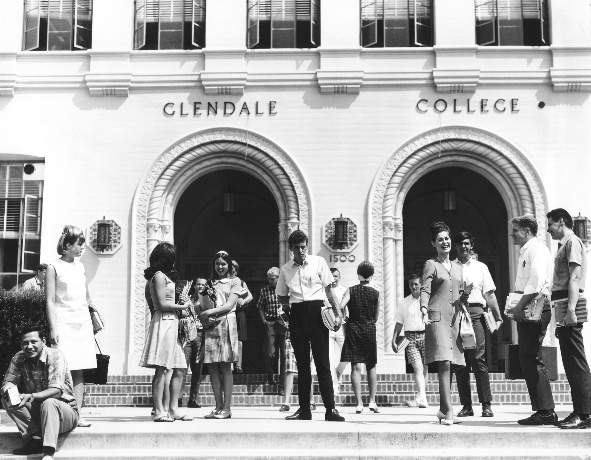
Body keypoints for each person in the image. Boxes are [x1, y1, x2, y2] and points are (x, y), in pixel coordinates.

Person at [276, 229, 345, 422]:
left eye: (303, 247)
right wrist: (290, 305)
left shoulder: (318, 262)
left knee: (323, 363)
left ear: (307, 246)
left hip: (317, 312)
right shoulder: (286, 269)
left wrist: (338, 314)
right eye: (297, 248)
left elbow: (330, 290)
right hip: (297, 313)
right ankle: (304, 410)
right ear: (290, 249)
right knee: (303, 365)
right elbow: (281, 295)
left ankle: (330, 409)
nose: (301, 251)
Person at [1, 325, 79, 460]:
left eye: (33, 342)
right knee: (8, 397)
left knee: (49, 402)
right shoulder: (19, 357)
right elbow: (9, 380)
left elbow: (56, 391)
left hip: (65, 413)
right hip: (41, 411)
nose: (29, 346)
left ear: (43, 341)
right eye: (25, 343)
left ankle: (48, 453)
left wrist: (31, 396)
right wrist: (8, 388)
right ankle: (36, 438)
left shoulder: (55, 356)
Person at [45, 225, 96, 428]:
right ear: (67, 246)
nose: (82, 247)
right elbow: (49, 301)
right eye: (79, 243)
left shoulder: (81, 267)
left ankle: (77, 415)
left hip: (81, 323)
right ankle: (59, 414)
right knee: (62, 371)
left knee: (79, 372)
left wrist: (93, 318)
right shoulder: (53, 267)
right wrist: (53, 328)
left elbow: (86, 296)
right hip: (63, 322)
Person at [509, 214, 556, 425]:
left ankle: (545, 410)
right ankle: (543, 409)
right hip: (528, 305)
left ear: (527, 231)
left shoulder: (537, 249)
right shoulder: (526, 251)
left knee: (530, 356)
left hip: (535, 304)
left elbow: (536, 282)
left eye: (516, 230)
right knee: (527, 356)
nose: (512, 234)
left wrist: (519, 306)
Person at [546, 208, 590, 429]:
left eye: (551, 225)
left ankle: (584, 413)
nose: (548, 230)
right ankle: (580, 411)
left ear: (561, 222)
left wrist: (571, 310)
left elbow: (574, 276)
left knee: (575, 361)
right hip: (562, 303)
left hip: (567, 302)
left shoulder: (572, 242)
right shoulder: (564, 244)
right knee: (571, 361)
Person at [139, 242, 192, 422]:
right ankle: (159, 410)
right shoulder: (159, 276)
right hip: (164, 321)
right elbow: (161, 303)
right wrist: (183, 305)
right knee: (162, 368)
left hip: (172, 321)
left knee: (180, 367)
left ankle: (173, 408)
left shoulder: (164, 277)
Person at [452, 232, 503, 418]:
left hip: (476, 314)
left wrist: (498, 317)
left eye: (466, 243)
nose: (463, 247)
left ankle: (486, 405)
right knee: (460, 362)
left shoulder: (481, 267)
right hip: (457, 314)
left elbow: (489, 294)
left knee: (478, 359)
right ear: (455, 246)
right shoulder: (450, 267)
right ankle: (466, 405)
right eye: (460, 244)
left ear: (471, 245)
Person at [420, 221, 465, 426]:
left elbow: (459, 292)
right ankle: (449, 413)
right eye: (440, 240)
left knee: (452, 364)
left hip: (454, 319)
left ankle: (441, 408)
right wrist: (422, 307)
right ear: (433, 244)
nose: (445, 242)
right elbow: (425, 288)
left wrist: (465, 296)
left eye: (447, 238)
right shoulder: (431, 264)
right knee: (444, 362)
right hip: (436, 318)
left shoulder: (457, 266)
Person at [197, 250, 241, 419]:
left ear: (229, 265)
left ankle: (227, 408)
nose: (220, 267)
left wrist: (207, 313)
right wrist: (202, 313)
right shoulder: (209, 283)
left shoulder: (235, 282)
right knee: (212, 367)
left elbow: (229, 305)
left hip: (226, 323)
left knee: (225, 366)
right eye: (217, 264)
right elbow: (198, 302)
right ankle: (218, 406)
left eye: (223, 264)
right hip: (211, 326)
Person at [339, 261, 380, 413]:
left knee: (355, 367)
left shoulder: (351, 290)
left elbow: (341, 306)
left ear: (358, 274)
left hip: (354, 327)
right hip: (369, 328)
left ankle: (359, 403)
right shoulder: (375, 293)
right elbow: (376, 317)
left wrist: (345, 318)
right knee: (371, 365)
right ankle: (372, 401)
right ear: (371, 275)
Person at [391, 274, 429, 408]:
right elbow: (399, 323)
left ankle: (421, 396)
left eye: (416, 284)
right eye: (411, 284)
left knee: (424, 367)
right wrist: (394, 339)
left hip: (426, 335)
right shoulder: (404, 302)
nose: (413, 286)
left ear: (421, 285)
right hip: (410, 338)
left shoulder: (427, 301)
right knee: (417, 366)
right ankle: (422, 397)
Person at [257, 267, 287, 390]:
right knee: (270, 353)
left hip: (284, 324)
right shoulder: (264, 291)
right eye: (269, 279)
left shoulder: (286, 289)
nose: (270, 281)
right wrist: (264, 320)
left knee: (284, 355)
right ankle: (271, 376)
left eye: (272, 279)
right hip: (270, 323)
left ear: (278, 278)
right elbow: (260, 306)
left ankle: (282, 385)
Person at [181, 277, 207, 409]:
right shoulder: (188, 299)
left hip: (200, 335)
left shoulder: (207, 301)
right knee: (182, 366)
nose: (200, 286)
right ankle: (178, 398)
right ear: (195, 286)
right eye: (198, 284)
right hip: (187, 334)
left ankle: (192, 399)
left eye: (203, 284)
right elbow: (183, 313)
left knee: (197, 368)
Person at [328, 268, 348, 395]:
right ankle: (333, 387)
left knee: (348, 354)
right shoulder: (324, 291)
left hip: (341, 326)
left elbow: (346, 309)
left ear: (339, 277)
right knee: (330, 359)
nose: (334, 278)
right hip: (328, 327)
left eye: (336, 276)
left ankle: (338, 371)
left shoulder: (344, 290)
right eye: (332, 276)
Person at [232, 260, 253, 374]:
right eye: (231, 269)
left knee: (239, 340)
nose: (233, 271)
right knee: (228, 340)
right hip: (227, 313)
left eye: (235, 269)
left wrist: (243, 301)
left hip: (239, 313)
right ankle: (229, 365)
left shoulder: (241, 282)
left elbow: (250, 296)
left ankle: (238, 365)